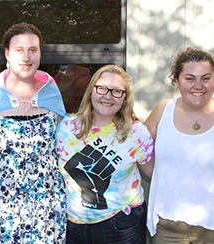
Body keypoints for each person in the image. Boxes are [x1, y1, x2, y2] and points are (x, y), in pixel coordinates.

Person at [0, 22, 67, 243]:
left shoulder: (51, 89)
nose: (26, 57)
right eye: (19, 50)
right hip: (0, 206)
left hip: (46, 206)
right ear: (7, 53)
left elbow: (67, 138)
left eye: (33, 50)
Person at [56, 64, 154, 243]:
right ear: (91, 90)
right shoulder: (66, 128)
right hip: (73, 226)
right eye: (102, 88)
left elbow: (156, 173)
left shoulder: (136, 133)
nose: (108, 96)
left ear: (125, 98)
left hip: (121, 226)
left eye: (117, 91)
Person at [145, 47, 214, 243]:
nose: (198, 85)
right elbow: (138, 150)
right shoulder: (162, 111)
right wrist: (163, 173)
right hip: (168, 226)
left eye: (206, 78)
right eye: (190, 78)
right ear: (176, 80)